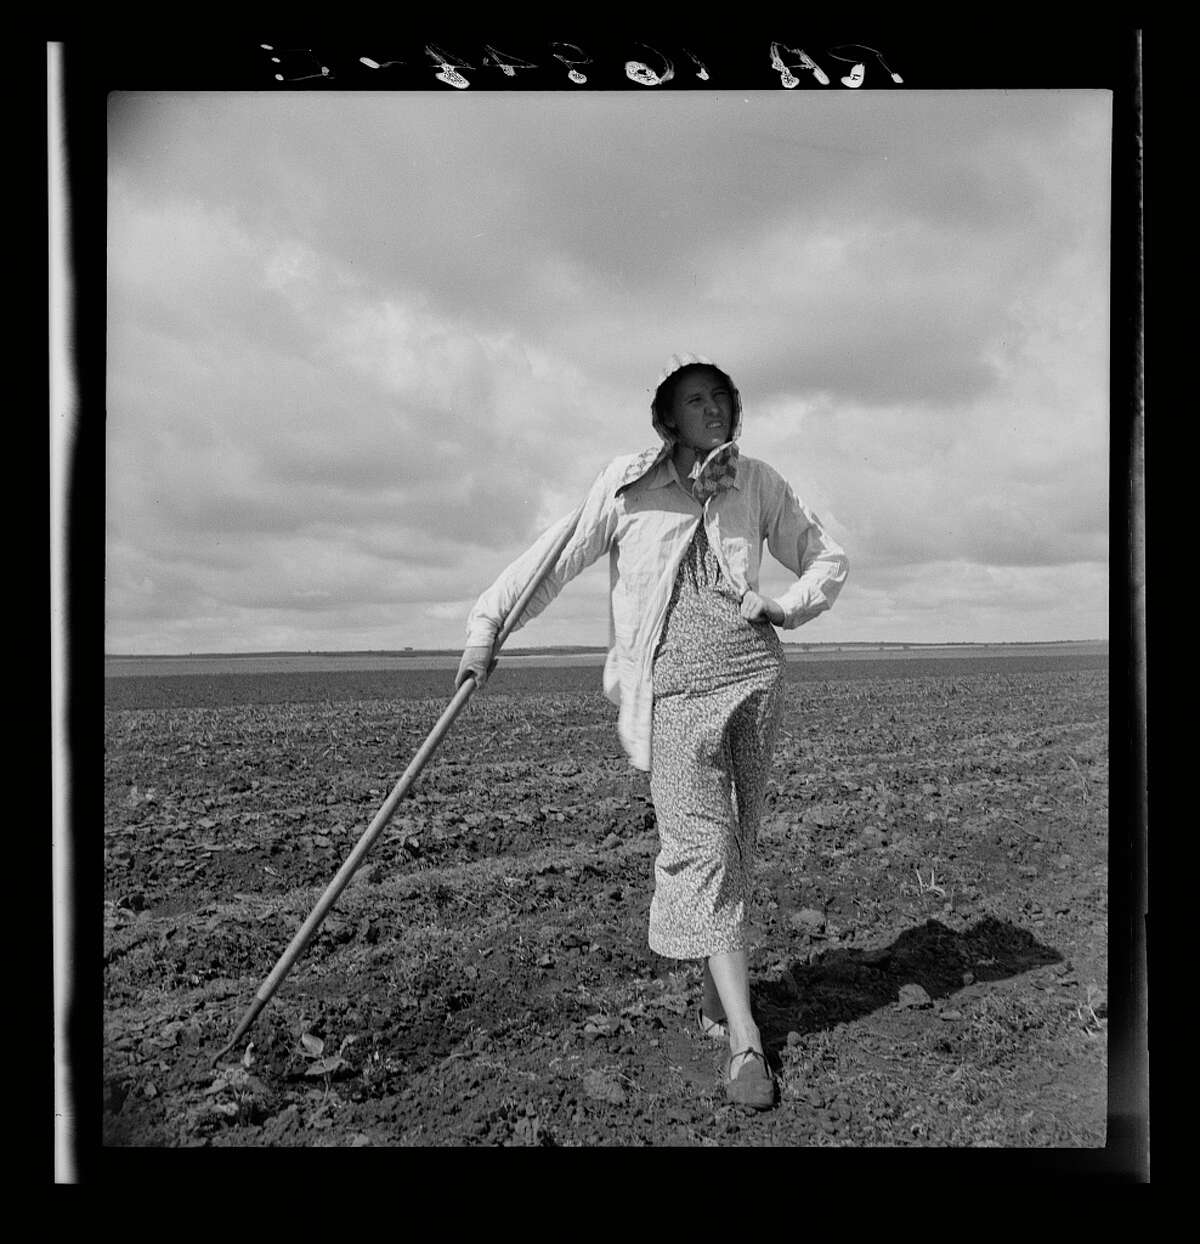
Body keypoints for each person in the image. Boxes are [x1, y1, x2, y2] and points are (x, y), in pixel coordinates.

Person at [456, 352, 848, 1109]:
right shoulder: (628, 485)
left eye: (722, 397)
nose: (713, 408)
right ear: (665, 418)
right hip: (671, 694)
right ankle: (745, 1043)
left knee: (738, 840)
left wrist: (785, 607)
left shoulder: (758, 481)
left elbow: (825, 555)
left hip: (752, 677)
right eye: (694, 399)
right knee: (701, 846)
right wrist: (487, 630)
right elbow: (554, 558)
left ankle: (714, 994)